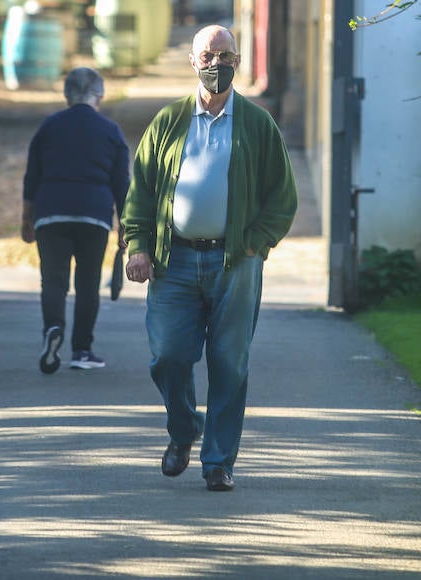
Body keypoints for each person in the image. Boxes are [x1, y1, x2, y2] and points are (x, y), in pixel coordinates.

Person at [122, 25, 297, 491]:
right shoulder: (168, 123)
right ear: (193, 61)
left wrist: (256, 244)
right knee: (168, 356)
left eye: (224, 55)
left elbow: (282, 197)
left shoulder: (258, 125)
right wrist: (137, 245)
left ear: (237, 61)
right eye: (207, 55)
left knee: (229, 362)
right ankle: (183, 430)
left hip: (234, 262)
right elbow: (140, 191)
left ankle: (218, 461)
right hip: (173, 261)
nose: (215, 64)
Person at [22, 67, 130, 374]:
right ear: (100, 95)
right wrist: (126, 225)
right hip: (93, 216)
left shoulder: (49, 127)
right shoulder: (111, 131)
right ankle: (82, 350)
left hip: (50, 212)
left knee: (53, 280)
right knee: (88, 283)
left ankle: (53, 328)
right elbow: (121, 183)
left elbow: (32, 176)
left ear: (67, 94)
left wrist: (26, 219)